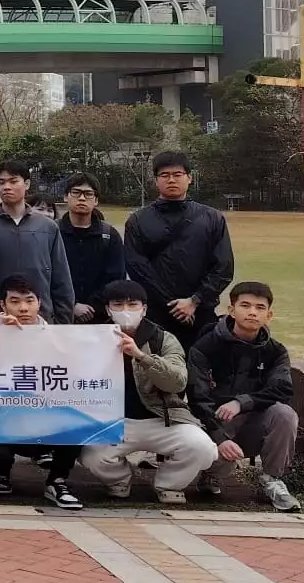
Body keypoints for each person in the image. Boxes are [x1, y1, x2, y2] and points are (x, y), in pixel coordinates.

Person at [73, 279, 217, 508]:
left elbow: (177, 382)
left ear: (144, 309)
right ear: (108, 309)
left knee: (201, 447)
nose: (125, 311)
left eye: (133, 305)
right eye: (118, 305)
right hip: (116, 422)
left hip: (163, 418)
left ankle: (169, 484)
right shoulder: (92, 339)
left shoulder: (163, 339)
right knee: (90, 454)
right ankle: (119, 479)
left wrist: (142, 357)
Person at [188, 282, 301, 512]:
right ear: (231, 310)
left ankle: (272, 480)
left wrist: (242, 402)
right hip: (213, 426)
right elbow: (197, 397)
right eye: (245, 305)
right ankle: (210, 473)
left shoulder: (276, 351)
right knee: (216, 455)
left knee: (284, 414)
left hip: (251, 426)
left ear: (269, 315)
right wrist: (220, 437)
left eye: (260, 308)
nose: (252, 312)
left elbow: (282, 389)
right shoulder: (205, 346)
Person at [0, 277, 82, 507]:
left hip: (43, 419)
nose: (23, 308)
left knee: (79, 421)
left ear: (39, 303)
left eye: (29, 301)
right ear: (3, 305)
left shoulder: (58, 339)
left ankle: (57, 480)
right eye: (15, 301)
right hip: (1, 421)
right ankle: (0, 472)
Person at [124, 151, 235, 335]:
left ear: (189, 178)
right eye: (164, 175)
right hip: (156, 314)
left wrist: (195, 300)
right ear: (156, 180)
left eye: (177, 174)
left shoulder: (211, 218)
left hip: (201, 314)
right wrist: (172, 305)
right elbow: (137, 267)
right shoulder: (138, 220)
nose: (171, 180)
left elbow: (223, 266)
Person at [0, 159, 75, 325]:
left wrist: (63, 321)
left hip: (41, 320)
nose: (7, 187)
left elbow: (61, 279)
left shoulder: (47, 227)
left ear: (27, 184)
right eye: (1, 182)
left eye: (13, 181)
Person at [58, 174, 127, 323]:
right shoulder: (53, 232)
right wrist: (72, 304)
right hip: (60, 316)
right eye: (76, 192)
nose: (82, 198)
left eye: (88, 194)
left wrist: (93, 306)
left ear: (96, 200)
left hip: (100, 317)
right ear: (65, 197)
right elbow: (48, 275)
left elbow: (116, 278)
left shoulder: (109, 235)